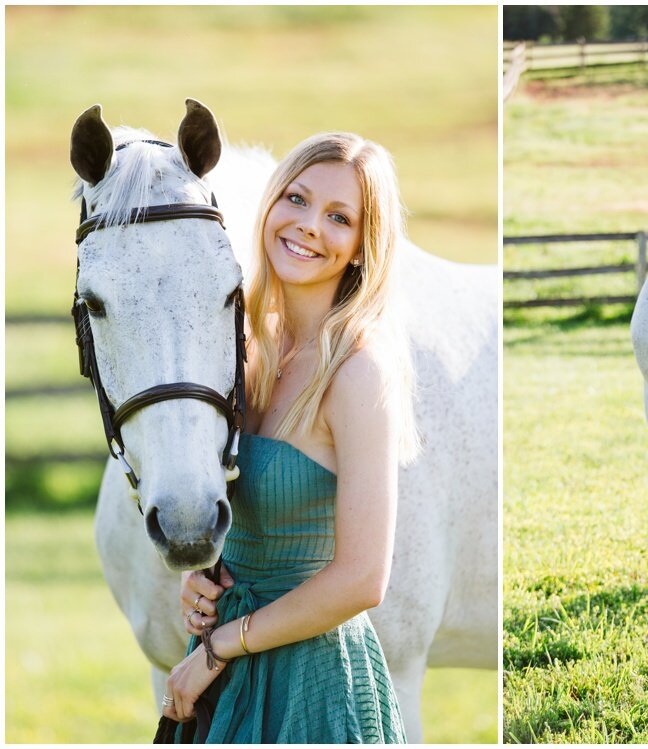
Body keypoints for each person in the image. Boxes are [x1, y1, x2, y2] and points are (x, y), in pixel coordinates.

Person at [161, 132, 419, 742]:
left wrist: (221, 648)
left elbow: (363, 578)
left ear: (361, 247)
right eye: (297, 199)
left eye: (339, 218)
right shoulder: (245, 347)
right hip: (224, 664)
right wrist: (201, 576)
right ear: (271, 204)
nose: (308, 226)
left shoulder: (360, 372)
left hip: (314, 680)